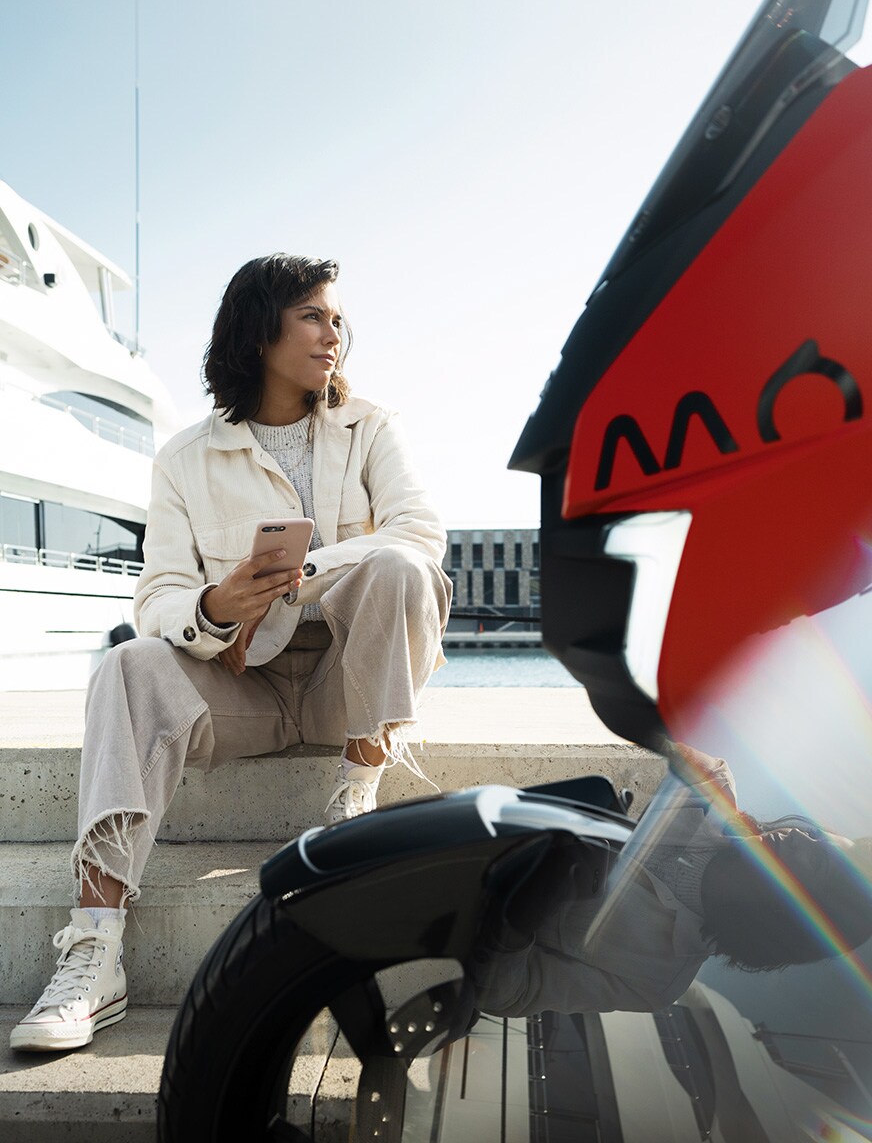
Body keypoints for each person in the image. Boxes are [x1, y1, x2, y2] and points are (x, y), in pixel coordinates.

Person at [11, 253, 451, 1052]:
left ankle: (357, 788)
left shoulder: (371, 427)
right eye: (314, 316)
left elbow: (419, 538)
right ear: (259, 334)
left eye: (338, 319)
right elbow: (157, 599)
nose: (334, 334)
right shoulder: (184, 458)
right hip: (237, 687)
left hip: (346, 685)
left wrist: (296, 579)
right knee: (126, 664)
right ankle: (94, 953)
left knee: (395, 564)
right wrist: (215, 609)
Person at [472, 746, 872, 1016]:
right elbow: (598, 723)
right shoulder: (705, 783)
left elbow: (508, 995)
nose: (800, 836)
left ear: (793, 920)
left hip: (447, 891)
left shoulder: (656, 982)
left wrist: (517, 920)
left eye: (818, 860)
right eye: (816, 835)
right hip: (476, 797)